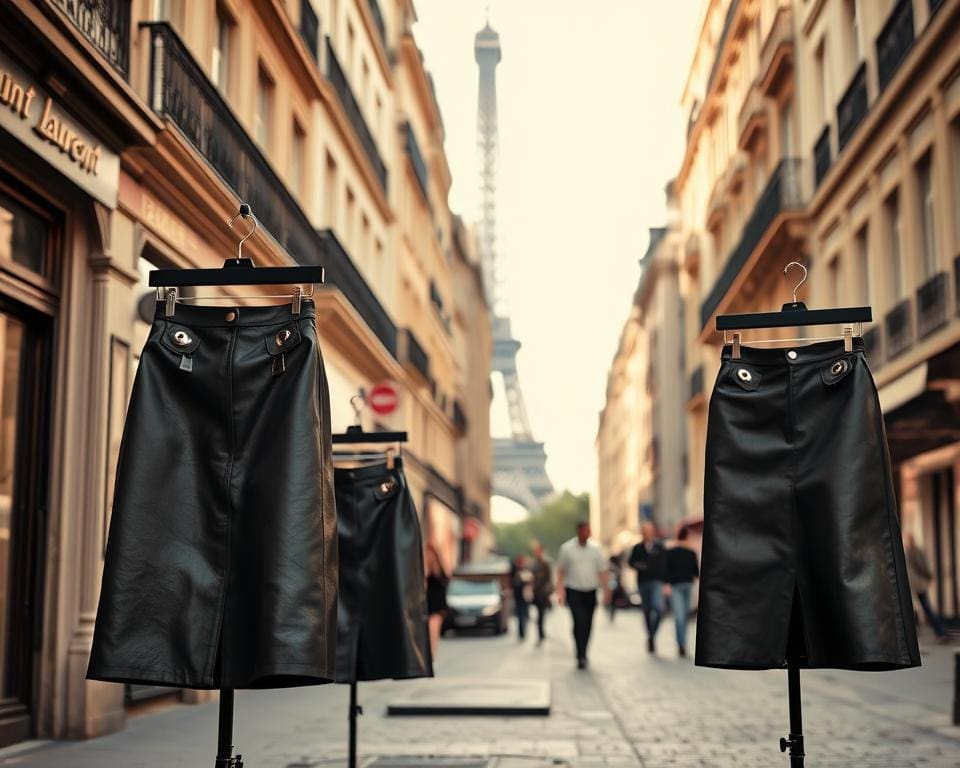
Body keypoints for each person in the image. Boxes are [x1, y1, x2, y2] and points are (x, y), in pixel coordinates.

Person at [556, 521, 608, 669]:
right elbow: (561, 571)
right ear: (578, 532)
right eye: (584, 531)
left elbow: (602, 571)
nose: (586, 534)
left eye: (588, 531)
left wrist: (606, 590)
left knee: (588, 624)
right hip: (574, 590)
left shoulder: (596, 549)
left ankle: (584, 652)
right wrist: (560, 591)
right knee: (579, 621)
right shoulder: (566, 549)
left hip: (591, 590)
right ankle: (579, 653)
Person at [629, 521, 666, 654]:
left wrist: (666, 583)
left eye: (649, 531)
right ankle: (650, 636)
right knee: (646, 610)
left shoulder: (660, 547)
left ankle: (652, 635)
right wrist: (640, 566)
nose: (647, 533)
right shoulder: (637, 548)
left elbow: (665, 564)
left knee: (659, 608)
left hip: (657, 582)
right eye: (645, 531)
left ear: (653, 532)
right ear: (642, 533)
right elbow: (631, 562)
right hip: (643, 582)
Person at [905, 532, 950, 643]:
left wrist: (930, 577)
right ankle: (940, 631)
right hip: (916, 584)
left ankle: (941, 632)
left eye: (907, 540)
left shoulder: (913, 552)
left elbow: (921, 566)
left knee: (926, 608)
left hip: (918, 585)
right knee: (925, 608)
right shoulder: (912, 551)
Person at [664, 526, 699, 657]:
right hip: (679, 587)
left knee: (682, 616)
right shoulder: (688, 553)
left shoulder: (675, 552)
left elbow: (696, 573)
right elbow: (696, 573)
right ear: (687, 537)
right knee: (680, 616)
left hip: (684, 587)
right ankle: (681, 644)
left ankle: (682, 643)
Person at [425, 542, 450, 661]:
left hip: (436, 606)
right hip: (427, 605)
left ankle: (431, 655)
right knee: (429, 632)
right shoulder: (425, 571)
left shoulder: (439, 572)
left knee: (433, 631)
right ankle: (429, 654)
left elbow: (443, 589)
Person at [530, 540, 554, 645]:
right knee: (540, 614)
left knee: (541, 615)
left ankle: (541, 634)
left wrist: (549, 593)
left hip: (543, 593)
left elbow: (549, 579)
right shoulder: (533, 563)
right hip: (536, 592)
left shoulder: (545, 563)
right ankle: (541, 633)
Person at [511, 554, 531, 641]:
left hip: (525, 597)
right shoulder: (514, 571)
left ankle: (523, 632)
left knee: (524, 615)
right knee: (520, 616)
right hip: (518, 597)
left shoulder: (527, 570)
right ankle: (521, 633)